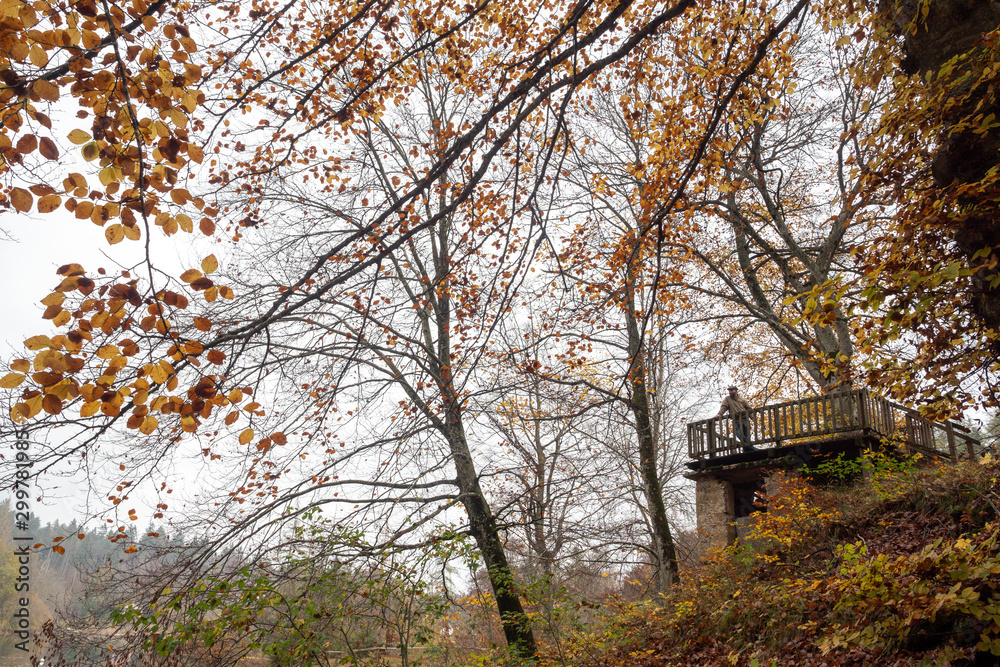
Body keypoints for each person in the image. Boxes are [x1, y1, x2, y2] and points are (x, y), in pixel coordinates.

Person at [717, 385, 756, 452]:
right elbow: (724, 407)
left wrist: (753, 418)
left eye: (732, 390)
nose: (730, 392)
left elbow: (749, 409)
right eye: (729, 391)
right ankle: (752, 448)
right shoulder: (727, 399)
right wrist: (719, 414)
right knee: (740, 435)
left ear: (736, 391)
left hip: (745, 420)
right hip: (736, 421)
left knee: (747, 436)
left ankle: (747, 451)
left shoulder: (743, 400)